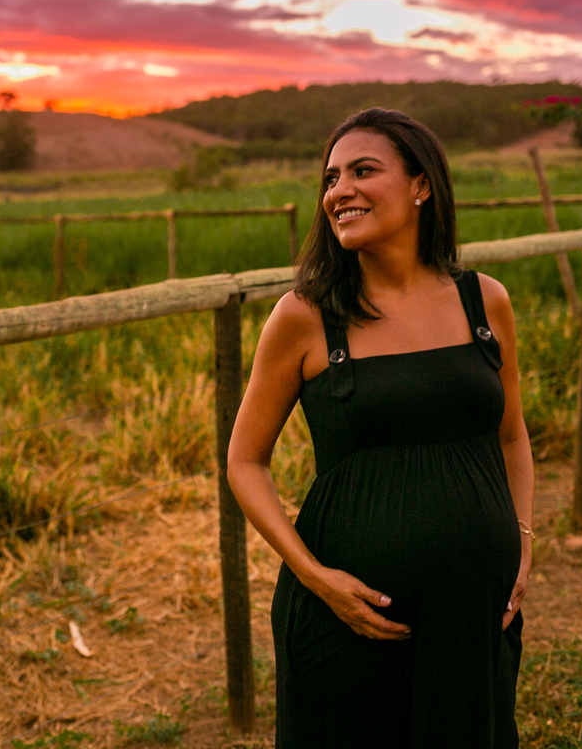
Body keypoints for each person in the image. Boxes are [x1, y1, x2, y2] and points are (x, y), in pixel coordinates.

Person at [226, 107, 535, 748]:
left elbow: (512, 436)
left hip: (471, 611)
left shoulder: (486, 301)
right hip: (351, 619)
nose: (340, 190)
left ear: (421, 185)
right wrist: (315, 577)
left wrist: (523, 540)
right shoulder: (306, 316)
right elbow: (245, 462)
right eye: (332, 178)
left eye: (363, 171)